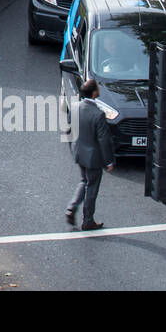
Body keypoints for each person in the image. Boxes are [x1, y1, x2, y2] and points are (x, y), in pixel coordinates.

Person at [66, 78, 116, 231]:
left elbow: (69, 129)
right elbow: (103, 140)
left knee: (84, 181)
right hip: (93, 157)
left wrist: (73, 148)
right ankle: (88, 220)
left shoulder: (75, 107)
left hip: (79, 152)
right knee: (92, 187)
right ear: (94, 93)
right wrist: (108, 161)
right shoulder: (98, 114)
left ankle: (72, 207)